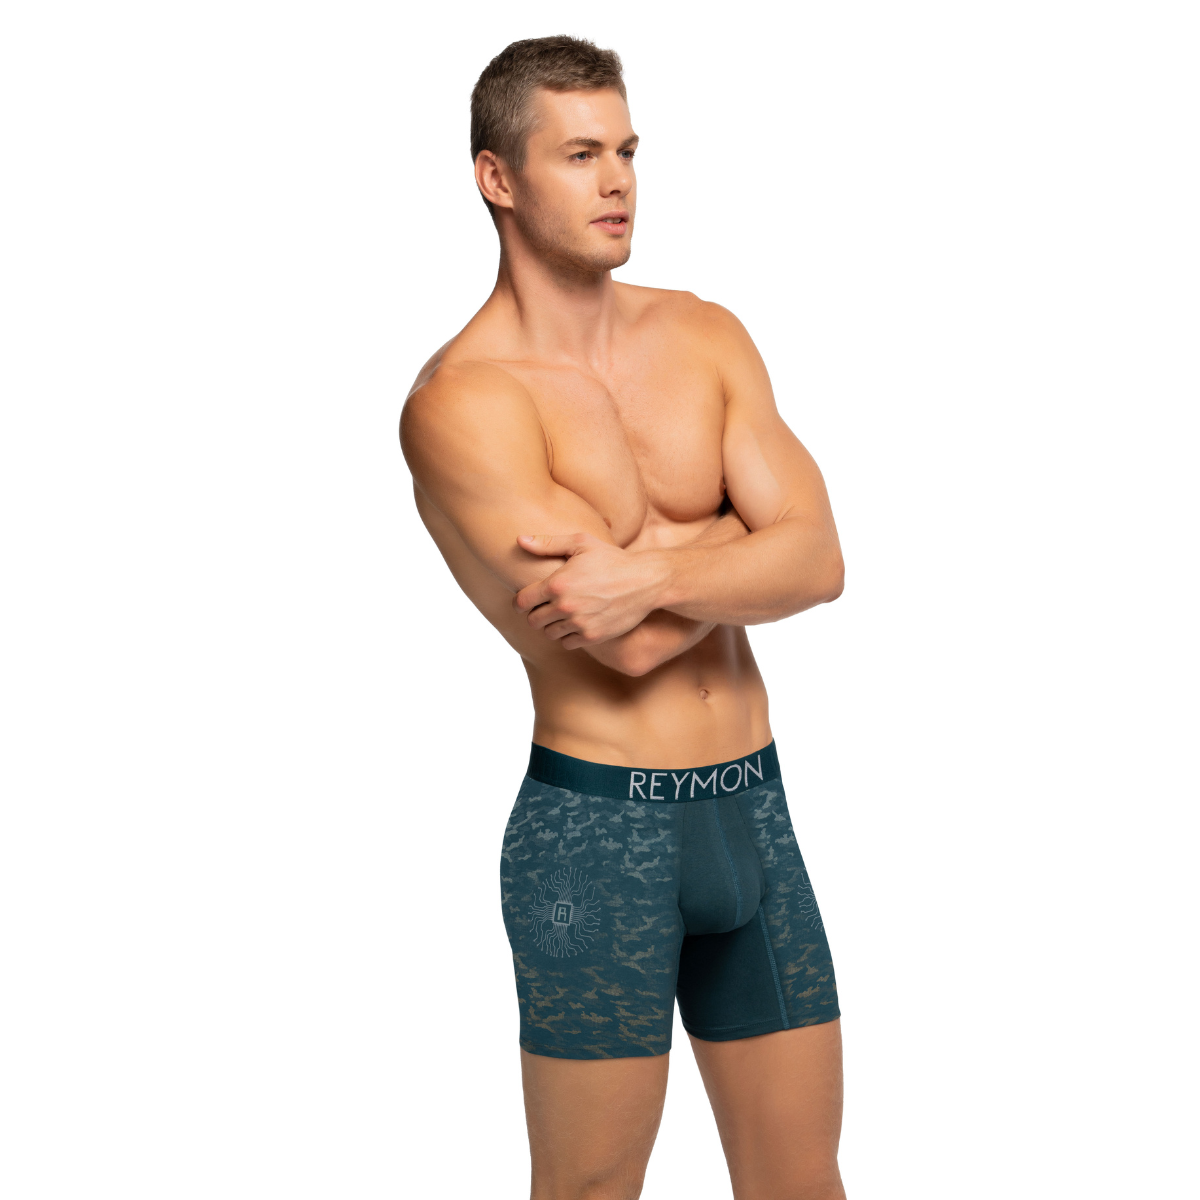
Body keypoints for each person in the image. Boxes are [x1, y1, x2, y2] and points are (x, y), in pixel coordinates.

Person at [401, 35, 847, 1200]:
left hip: (754, 813)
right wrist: (741, 543)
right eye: (580, 154)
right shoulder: (463, 403)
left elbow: (820, 561)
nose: (617, 182)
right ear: (497, 177)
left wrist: (646, 569)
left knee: (803, 1182)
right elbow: (630, 646)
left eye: (629, 152)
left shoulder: (703, 334)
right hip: (601, 837)